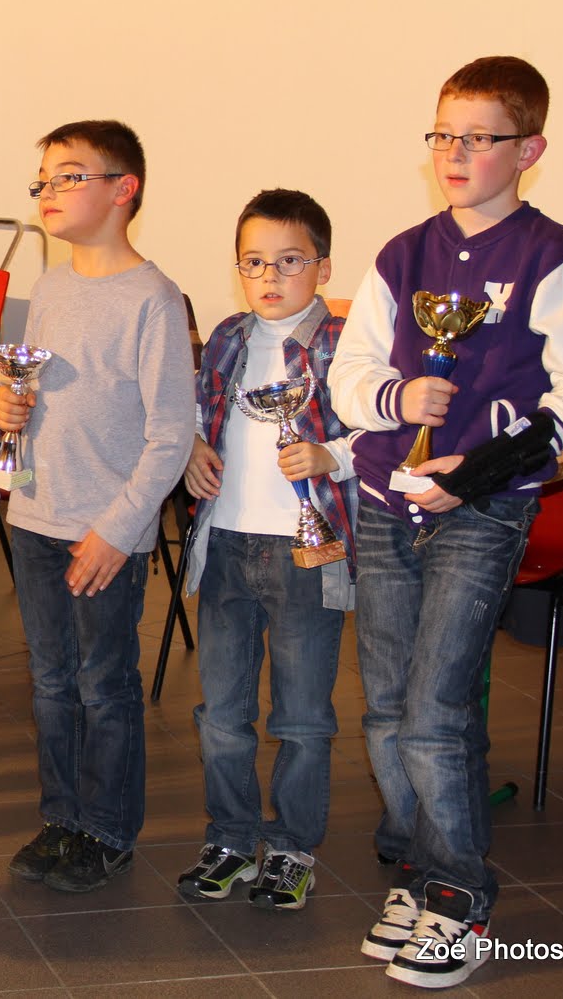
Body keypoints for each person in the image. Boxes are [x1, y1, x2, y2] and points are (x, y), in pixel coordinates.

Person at [328, 56, 563, 989]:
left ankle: (461, 894)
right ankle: (418, 870)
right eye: (443, 134)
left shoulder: (556, 258)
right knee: (386, 707)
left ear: (528, 149)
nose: (455, 153)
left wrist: (484, 468)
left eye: (479, 138)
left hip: (483, 510)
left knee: (436, 710)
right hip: (386, 501)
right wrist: (395, 396)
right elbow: (349, 374)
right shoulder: (402, 254)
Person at [0, 120, 191, 893]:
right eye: (42, 179)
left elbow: (171, 435)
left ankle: (106, 830)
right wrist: (12, 407)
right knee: (50, 682)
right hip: (37, 518)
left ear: (122, 189)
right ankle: (61, 818)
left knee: (104, 686)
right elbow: (35, 393)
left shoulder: (153, 299)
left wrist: (118, 529)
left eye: (68, 176)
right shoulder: (49, 287)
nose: (48, 191)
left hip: (106, 529)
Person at [177, 189, 357, 911]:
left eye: (289, 261)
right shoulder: (227, 336)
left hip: (305, 554)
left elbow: (382, 433)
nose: (270, 276)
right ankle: (230, 835)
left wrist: (332, 455)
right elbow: (196, 411)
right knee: (221, 713)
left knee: (302, 716)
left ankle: (291, 847)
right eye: (254, 262)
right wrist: (192, 447)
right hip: (226, 543)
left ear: (323, 266)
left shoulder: (343, 342)